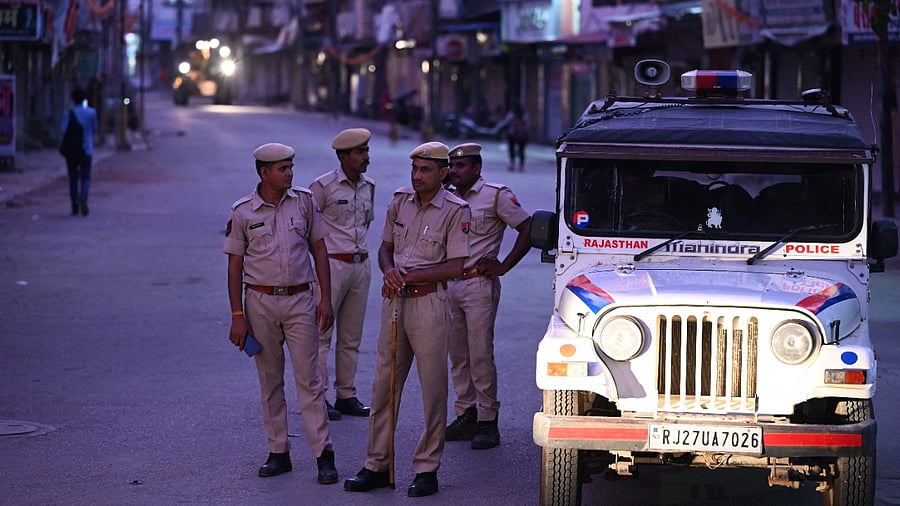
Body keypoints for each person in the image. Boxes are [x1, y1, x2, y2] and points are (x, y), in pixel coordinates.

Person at [344, 142, 471, 498]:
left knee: (433, 391)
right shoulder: (400, 200)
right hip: (394, 304)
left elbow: (456, 266)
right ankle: (377, 464)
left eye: (425, 170)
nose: (417, 177)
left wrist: (410, 276)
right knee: (383, 387)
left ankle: (427, 468)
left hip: (429, 304)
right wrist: (388, 271)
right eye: (414, 169)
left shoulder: (455, 210)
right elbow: (385, 247)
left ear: (443, 173)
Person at [223, 142, 339, 485]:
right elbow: (234, 267)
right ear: (264, 173)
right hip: (259, 302)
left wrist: (325, 299)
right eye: (283, 169)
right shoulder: (243, 211)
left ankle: (324, 455)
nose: (290, 173)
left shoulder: (304, 202)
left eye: (291, 167)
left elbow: (320, 250)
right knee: (270, 380)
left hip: (300, 300)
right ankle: (278, 451)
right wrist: (237, 315)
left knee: (310, 380)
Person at [443, 143, 532, 450]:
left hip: (478, 284)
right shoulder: (446, 195)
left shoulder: (495, 194)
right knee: (457, 356)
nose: (454, 171)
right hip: (448, 284)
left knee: (480, 354)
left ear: (477, 168)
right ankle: (465, 413)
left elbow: (528, 226)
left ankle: (487, 421)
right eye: (452, 166)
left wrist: (504, 266)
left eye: (461, 166)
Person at [309, 128, 376, 421]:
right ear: (342, 156)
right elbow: (308, 230)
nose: (366, 157)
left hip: (360, 265)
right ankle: (319, 396)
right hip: (332, 265)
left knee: (351, 336)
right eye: (359, 152)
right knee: (321, 334)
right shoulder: (323, 186)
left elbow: (366, 223)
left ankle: (346, 394)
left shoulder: (368, 186)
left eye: (366, 151)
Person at [60, 88, 98, 216]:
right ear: (84, 99)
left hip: (72, 150)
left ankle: (74, 204)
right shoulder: (92, 112)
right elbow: (94, 128)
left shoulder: (69, 113)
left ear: (73, 99)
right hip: (87, 149)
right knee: (86, 177)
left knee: (73, 178)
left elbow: (63, 130)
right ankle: (83, 196)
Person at [505, 103, 529, 172]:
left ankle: (512, 164)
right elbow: (527, 125)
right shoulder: (525, 115)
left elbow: (506, 122)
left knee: (511, 149)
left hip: (512, 134)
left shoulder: (511, 114)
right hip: (522, 136)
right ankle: (521, 165)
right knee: (522, 150)